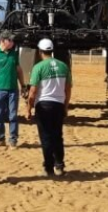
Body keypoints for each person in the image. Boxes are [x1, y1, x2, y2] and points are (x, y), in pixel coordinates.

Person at [26, 39, 72, 177]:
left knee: (46, 137)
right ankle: (60, 165)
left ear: (40, 52)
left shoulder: (38, 67)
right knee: (57, 136)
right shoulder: (63, 66)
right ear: (52, 51)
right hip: (58, 105)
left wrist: (29, 108)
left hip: (44, 106)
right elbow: (68, 89)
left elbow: (33, 91)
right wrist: (65, 106)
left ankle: (48, 168)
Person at [0, 30, 25, 148]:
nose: (12, 42)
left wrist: (22, 86)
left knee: (13, 116)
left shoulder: (14, 54)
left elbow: (19, 71)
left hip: (13, 90)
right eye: (10, 40)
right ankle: (0, 139)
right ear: (3, 41)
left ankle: (13, 140)